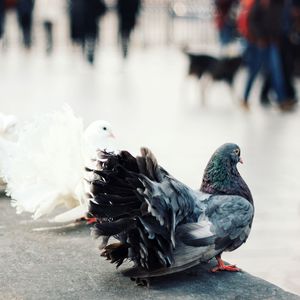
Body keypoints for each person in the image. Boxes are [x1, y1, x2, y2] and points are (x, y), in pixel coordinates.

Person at [241, 0, 295, 111]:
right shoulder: (260, 3)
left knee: (276, 72)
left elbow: (278, 22)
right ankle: (245, 98)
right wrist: (260, 37)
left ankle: (282, 100)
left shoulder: (280, 4)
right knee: (254, 72)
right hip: (258, 43)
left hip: (272, 42)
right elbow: (252, 21)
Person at [69, 0, 106, 64]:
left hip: (85, 25)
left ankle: (87, 57)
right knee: (90, 41)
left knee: (87, 42)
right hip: (89, 25)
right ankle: (88, 57)